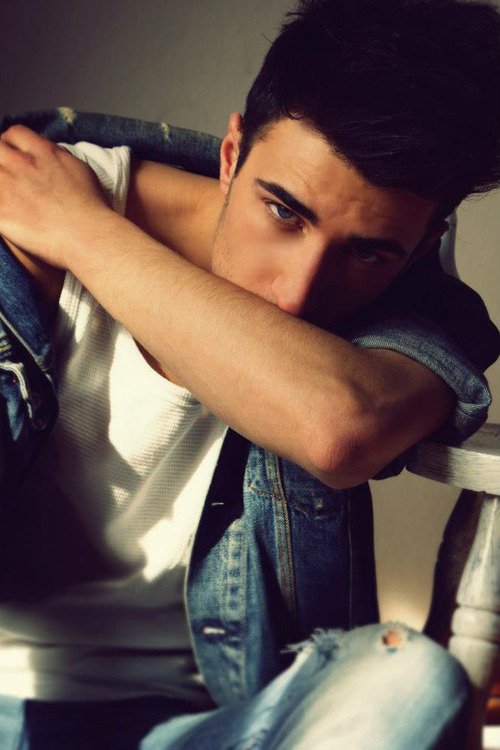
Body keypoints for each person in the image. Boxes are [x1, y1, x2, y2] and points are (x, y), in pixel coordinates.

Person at [0, 0, 498, 747]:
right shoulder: (20, 200)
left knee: (415, 681)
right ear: (231, 154)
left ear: (421, 246)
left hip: (214, 723)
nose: (298, 295)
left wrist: (83, 233)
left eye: (367, 252)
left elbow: (338, 431)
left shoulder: (421, 311)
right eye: (284, 212)